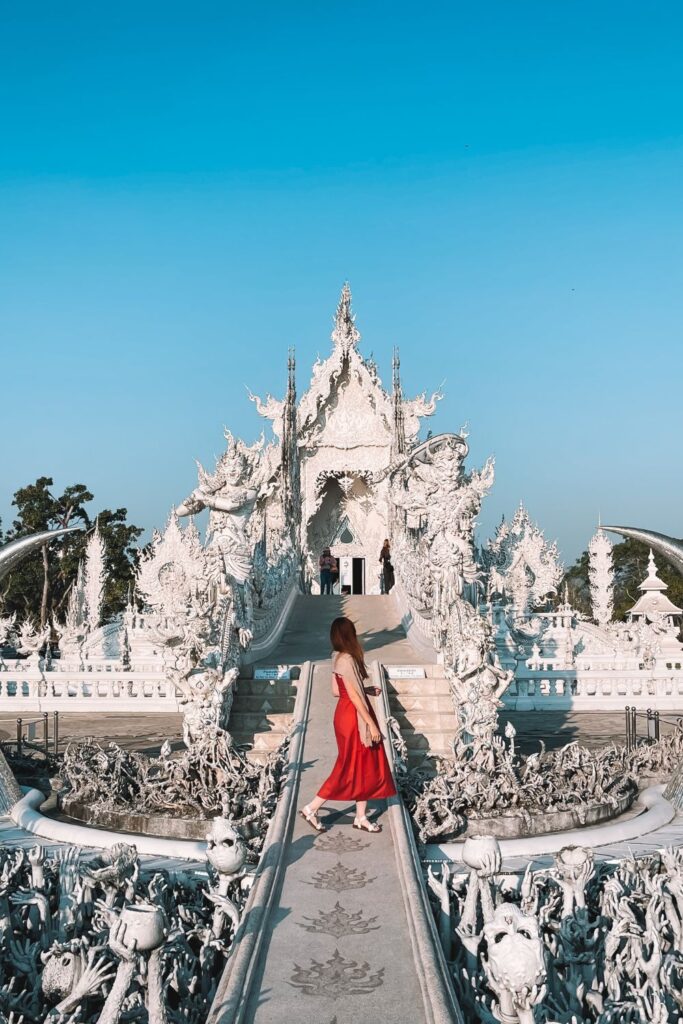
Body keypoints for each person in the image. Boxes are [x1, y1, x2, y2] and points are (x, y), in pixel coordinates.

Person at [300, 616, 396, 833]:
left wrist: (367, 690)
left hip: (343, 714)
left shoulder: (337, 657)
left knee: (361, 764)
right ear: (349, 635)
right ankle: (312, 808)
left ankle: (360, 817)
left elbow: (338, 691)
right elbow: (354, 697)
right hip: (354, 716)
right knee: (348, 765)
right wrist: (371, 724)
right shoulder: (348, 660)